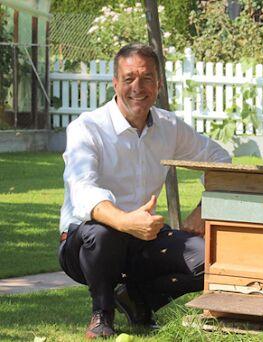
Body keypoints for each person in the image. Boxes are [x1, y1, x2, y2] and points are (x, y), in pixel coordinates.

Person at [58, 43, 231, 339]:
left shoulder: (168, 126)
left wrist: (206, 209)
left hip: (143, 238)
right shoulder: (86, 128)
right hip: (84, 241)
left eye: (147, 78)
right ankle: (102, 313)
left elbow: (220, 160)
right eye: (129, 78)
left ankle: (139, 298)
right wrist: (126, 221)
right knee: (104, 233)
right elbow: (83, 191)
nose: (138, 87)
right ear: (115, 83)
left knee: (213, 256)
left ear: (158, 84)